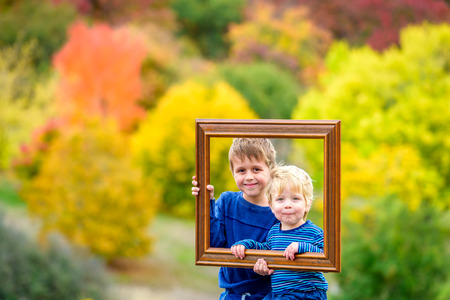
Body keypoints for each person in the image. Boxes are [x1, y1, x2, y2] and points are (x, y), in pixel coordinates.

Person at [192, 138, 278, 300]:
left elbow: (280, 253)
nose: (249, 177)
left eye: (256, 169)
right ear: (232, 172)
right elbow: (214, 244)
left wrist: (270, 264)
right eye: (241, 170)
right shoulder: (227, 202)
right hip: (232, 294)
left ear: (271, 170)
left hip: (268, 295)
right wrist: (206, 203)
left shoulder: (279, 212)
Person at [231, 165, 328, 300]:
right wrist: (246, 245)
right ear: (271, 205)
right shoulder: (274, 232)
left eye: (295, 198)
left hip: (307, 293)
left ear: (307, 204)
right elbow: (266, 250)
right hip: (280, 294)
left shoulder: (314, 232)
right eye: (280, 199)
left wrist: (302, 247)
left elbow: (326, 260)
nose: (287, 204)